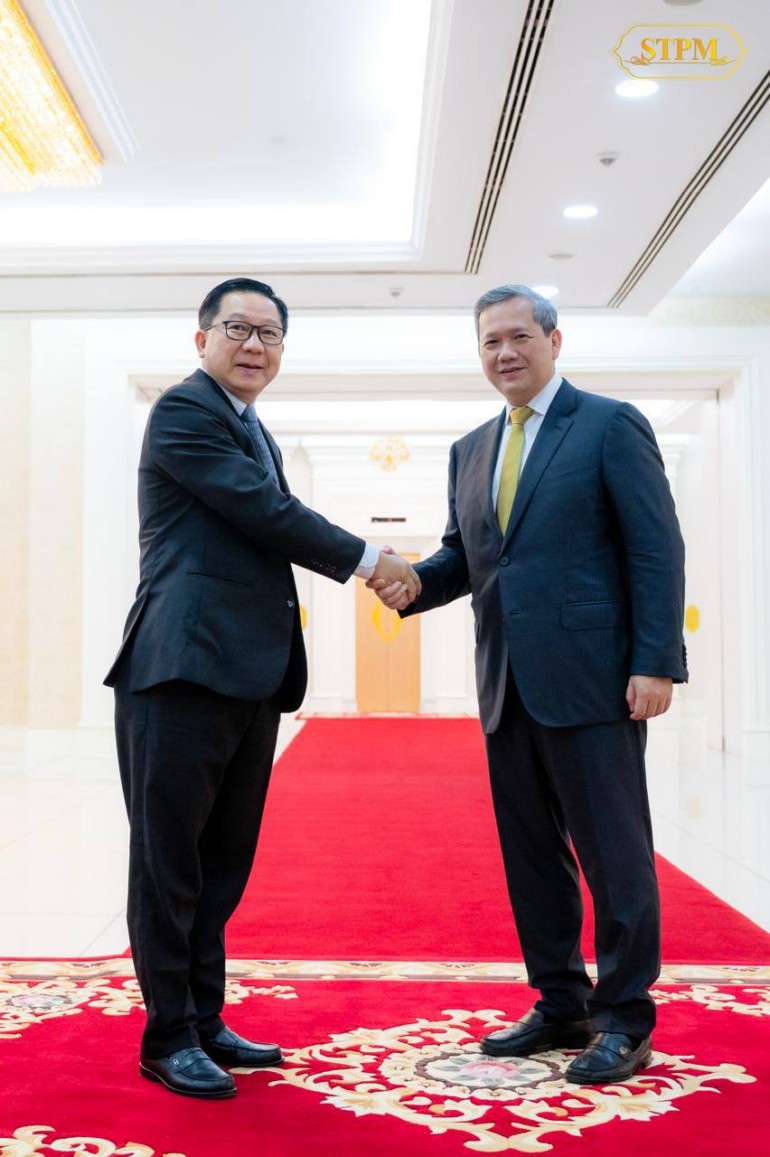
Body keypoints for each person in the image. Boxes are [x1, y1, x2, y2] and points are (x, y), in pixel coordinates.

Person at [105, 276, 420, 1099]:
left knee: (220, 865)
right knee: (169, 864)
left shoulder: (251, 424)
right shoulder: (184, 411)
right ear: (201, 339)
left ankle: (203, 1019)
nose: (254, 345)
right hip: (180, 670)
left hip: (245, 673)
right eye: (238, 328)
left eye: (270, 334)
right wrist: (372, 561)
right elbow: (263, 512)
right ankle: (167, 1037)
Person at [370, 285, 687, 1085]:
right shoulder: (471, 449)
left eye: (519, 336)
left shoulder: (609, 425)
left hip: (595, 681)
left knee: (614, 854)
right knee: (532, 856)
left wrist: (656, 659)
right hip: (507, 681)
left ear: (554, 339)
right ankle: (560, 1002)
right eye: (490, 342)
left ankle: (625, 1016)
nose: (504, 353)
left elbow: (656, 548)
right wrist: (412, 581)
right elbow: (471, 557)